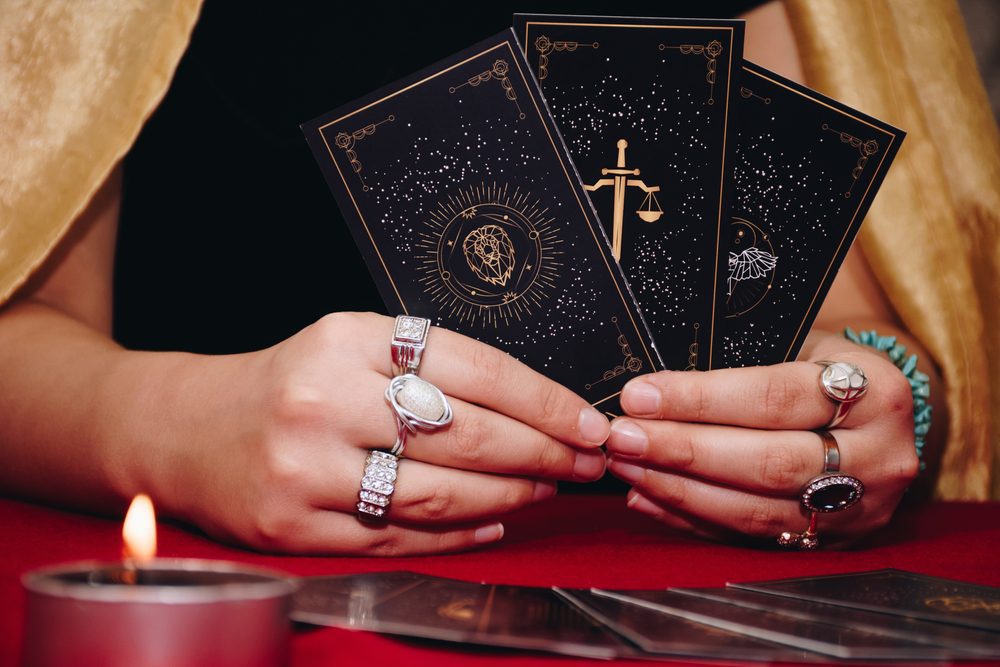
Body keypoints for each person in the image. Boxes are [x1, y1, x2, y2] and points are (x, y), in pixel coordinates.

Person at [0, 0, 993, 555]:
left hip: (681, 590)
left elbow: (861, 324)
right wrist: (169, 423)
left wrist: (864, 400)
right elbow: (21, 314)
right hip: (220, 578)